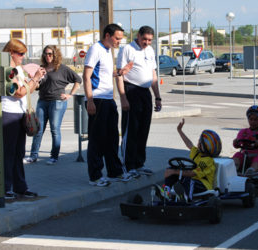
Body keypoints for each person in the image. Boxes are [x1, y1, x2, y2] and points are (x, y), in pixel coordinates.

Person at [0, 39, 46, 199]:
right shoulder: (5, 69)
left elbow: (28, 88)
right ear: (11, 53)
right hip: (7, 114)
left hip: (19, 113)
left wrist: (36, 80)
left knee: (18, 153)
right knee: (7, 153)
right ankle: (2, 188)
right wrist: (35, 79)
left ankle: (20, 187)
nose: (23, 57)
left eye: (24, 54)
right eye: (20, 53)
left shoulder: (19, 69)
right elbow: (19, 92)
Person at [83, 23, 132, 187]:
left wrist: (120, 72)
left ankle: (115, 171)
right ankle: (95, 175)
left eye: (120, 38)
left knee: (111, 137)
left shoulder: (107, 51)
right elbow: (87, 76)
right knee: (97, 139)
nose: (119, 41)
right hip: (97, 99)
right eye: (117, 38)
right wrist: (90, 100)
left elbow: (104, 74)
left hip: (108, 99)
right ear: (107, 36)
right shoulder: (95, 49)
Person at [116, 25, 162, 178]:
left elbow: (153, 75)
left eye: (150, 40)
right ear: (138, 35)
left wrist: (157, 97)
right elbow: (120, 75)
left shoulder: (149, 50)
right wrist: (123, 98)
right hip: (131, 91)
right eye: (144, 39)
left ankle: (139, 163)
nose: (147, 42)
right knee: (132, 130)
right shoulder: (127, 49)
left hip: (145, 92)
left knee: (143, 129)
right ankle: (128, 165)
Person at [23, 45, 82, 165]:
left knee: (55, 130)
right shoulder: (41, 68)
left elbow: (78, 80)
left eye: (50, 54)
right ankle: (33, 156)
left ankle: (54, 156)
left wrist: (70, 94)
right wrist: (33, 79)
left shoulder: (62, 69)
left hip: (57, 102)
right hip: (42, 101)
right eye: (45, 54)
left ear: (55, 55)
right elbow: (38, 87)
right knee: (37, 129)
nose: (48, 56)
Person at [154, 118, 221, 202]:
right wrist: (179, 130)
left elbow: (192, 173)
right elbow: (189, 144)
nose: (198, 142)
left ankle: (186, 198)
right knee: (172, 172)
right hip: (192, 182)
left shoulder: (208, 161)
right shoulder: (198, 153)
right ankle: (166, 193)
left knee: (187, 177)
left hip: (203, 185)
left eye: (200, 141)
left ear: (203, 146)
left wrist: (175, 171)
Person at [232, 105, 258, 176]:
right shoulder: (243, 131)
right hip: (245, 155)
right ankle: (233, 169)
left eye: (256, 119)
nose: (253, 122)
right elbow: (237, 145)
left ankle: (251, 171)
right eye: (251, 119)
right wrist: (236, 142)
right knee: (237, 155)